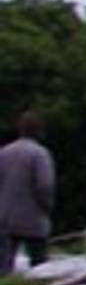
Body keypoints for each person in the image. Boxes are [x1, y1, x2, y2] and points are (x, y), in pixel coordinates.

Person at [0, 111, 52, 274]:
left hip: (5, 217)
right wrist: (47, 206)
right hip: (34, 218)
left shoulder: (4, 152)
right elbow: (45, 184)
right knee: (40, 267)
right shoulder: (40, 154)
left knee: (4, 267)